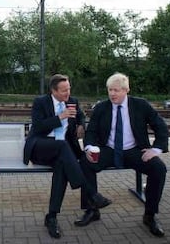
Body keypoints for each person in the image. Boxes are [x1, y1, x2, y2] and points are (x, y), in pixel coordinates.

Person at [76, 72, 169, 237]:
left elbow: (160, 126)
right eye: (110, 90)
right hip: (109, 149)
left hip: (134, 150)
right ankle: (92, 209)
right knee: (84, 162)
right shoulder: (101, 107)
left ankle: (150, 215)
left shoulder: (141, 105)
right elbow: (91, 131)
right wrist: (89, 147)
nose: (112, 94)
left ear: (126, 90)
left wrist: (156, 150)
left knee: (159, 168)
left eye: (116, 90)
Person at [23, 74, 112, 239]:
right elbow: (39, 127)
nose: (68, 93)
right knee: (63, 147)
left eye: (69, 88)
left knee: (62, 169)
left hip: (62, 152)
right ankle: (92, 195)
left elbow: (80, 115)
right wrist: (60, 117)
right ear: (53, 91)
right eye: (64, 90)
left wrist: (80, 124)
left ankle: (51, 217)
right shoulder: (40, 102)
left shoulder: (73, 101)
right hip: (41, 147)